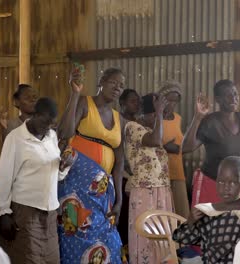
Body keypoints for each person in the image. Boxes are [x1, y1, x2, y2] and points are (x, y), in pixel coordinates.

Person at [56, 67, 125, 263]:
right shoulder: (85, 103)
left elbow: (120, 163)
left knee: (105, 237)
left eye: (121, 85)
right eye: (113, 82)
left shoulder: (119, 118)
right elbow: (64, 132)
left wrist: (119, 199)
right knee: (74, 232)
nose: (117, 88)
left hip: (102, 192)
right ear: (101, 81)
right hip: (74, 187)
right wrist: (75, 95)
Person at [0, 97, 75, 263]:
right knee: (27, 259)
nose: (48, 128)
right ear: (35, 115)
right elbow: (4, 177)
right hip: (26, 212)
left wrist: (64, 167)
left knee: (51, 259)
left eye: (51, 124)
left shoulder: (51, 136)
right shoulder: (15, 138)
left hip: (50, 212)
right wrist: (3, 212)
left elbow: (56, 176)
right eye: (45, 122)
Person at [182, 80, 240, 206]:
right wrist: (197, 117)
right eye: (228, 95)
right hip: (214, 185)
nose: (233, 98)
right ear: (218, 99)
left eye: (235, 94)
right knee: (214, 224)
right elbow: (186, 147)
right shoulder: (211, 122)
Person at [173, 156, 240, 264]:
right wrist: (191, 221)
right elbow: (182, 238)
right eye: (221, 182)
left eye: (233, 182)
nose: (226, 187)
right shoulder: (207, 212)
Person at [125, 93, 173, 264]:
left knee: (162, 241)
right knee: (145, 241)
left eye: (158, 113)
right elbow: (155, 140)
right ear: (142, 114)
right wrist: (160, 112)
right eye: (153, 113)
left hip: (162, 191)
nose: (157, 117)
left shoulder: (153, 131)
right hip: (145, 193)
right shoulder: (132, 127)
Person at [158, 81, 190, 218]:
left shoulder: (178, 119)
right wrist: (165, 148)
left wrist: (177, 148)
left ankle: (180, 240)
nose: (171, 105)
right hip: (159, 174)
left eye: (175, 101)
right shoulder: (153, 119)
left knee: (182, 214)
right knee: (163, 214)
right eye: (168, 100)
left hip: (177, 171)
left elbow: (183, 145)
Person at [118, 88, 140, 261]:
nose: (136, 104)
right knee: (124, 219)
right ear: (122, 103)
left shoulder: (140, 122)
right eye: (132, 101)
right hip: (124, 175)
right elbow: (121, 151)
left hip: (138, 178)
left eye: (137, 101)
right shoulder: (119, 121)